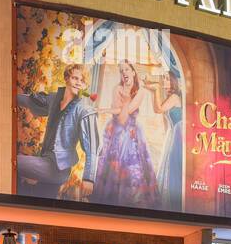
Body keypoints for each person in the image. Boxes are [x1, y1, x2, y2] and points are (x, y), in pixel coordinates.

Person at [16, 63, 96, 199]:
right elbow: (32, 102)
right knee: (39, 202)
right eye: (75, 78)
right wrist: (10, 96)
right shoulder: (54, 99)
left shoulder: (84, 111)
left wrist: (89, 178)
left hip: (58, 168)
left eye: (82, 81)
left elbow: (92, 147)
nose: (78, 83)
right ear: (66, 78)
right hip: (45, 159)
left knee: (14, 161)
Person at [92, 62, 161, 207]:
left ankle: (131, 200)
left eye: (127, 69)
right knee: (111, 164)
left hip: (132, 131)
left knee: (132, 167)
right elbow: (117, 110)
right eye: (121, 70)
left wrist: (105, 110)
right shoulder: (116, 88)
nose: (124, 72)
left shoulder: (140, 91)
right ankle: (109, 199)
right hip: (115, 129)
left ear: (133, 72)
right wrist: (112, 108)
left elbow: (127, 111)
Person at [152, 74, 184, 209]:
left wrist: (155, 90)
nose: (163, 80)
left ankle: (174, 203)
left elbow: (158, 109)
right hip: (172, 135)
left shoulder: (175, 97)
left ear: (173, 81)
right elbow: (158, 110)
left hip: (178, 135)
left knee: (173, 168)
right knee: (168, 167)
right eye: (163, 78)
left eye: (166, 78)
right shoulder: (171, 97)